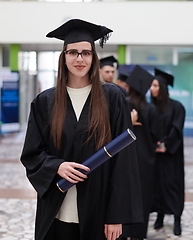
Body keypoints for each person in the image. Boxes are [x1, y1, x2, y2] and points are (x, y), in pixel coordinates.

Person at [20, 19, 143, 240]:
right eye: (73, 52)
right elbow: (32, 153)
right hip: (57, 210)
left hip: (99, 209)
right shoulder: (44, 101)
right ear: (64, 57)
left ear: (93, 57)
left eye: (86, 53)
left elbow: (124, 160)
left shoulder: (112, 97)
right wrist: (57, 166)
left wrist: (116, 215)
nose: (79, 59)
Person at [119, 65, 161, 240]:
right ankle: (138, 234)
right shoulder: (151, 109)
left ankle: (123, 232)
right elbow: (156, 135)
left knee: (123, 195)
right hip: (145, 160)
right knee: (143, 197)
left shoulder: (122, 104)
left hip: (124, 157)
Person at [150, 68, 186, 236]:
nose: (152, 88)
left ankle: (177, 218)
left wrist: (164, 144)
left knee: (173, 186)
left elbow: (176, 129)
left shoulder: (177, 107)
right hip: (155, 156)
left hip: (172, 156)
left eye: (155, 85)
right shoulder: (150, 108)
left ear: (163, 87)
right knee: (157, 186)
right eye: (151, 85)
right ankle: (160, 216)